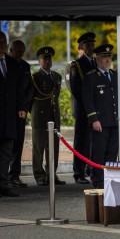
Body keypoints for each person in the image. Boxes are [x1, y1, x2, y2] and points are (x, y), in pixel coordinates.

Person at [82, 44, 120, 188]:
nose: (107, 60)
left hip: (115, 121)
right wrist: (94, 119)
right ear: (97, 58)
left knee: (112, 153)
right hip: (101, 123)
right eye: (104, 57)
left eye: (109, 57)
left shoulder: (115, 75)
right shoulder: (91, 77)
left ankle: (109, 180)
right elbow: (88, 101)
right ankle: (98, 181)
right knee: (99, 154)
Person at [31, 46, 66, 186]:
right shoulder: (35, 77)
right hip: (40, 116)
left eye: (49, 58)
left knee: (54, 148)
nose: (47, 61)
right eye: (44, 59)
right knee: (39, 147)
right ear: (39, 61)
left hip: (54, 116)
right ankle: (39, 176)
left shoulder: (56, 76)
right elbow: (30, 98)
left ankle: (52, 174)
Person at [69, 32, 96, 184]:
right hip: (83, 109)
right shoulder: (77, 65)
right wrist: (89, 105)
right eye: (87, 44)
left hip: (94, 109)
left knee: (93, 140)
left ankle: (90, 168)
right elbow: (76, 89)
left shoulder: (95, 63)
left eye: (92, 44)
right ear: (81, 47)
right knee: (81, 140)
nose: (91, 46)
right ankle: (78, 172)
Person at [0, 31, 24, 197]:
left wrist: (21, 107)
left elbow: (19, 89)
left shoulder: (12, 63)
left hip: (9, 118)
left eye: (4, 41)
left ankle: (3, 185)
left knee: (6, 154)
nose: (2, 43)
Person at [8, 40, 33, 188]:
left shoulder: (25, 66)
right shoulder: (6, 65)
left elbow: (29, 89)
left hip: (20, 113)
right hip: (7, 112)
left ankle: (14, 175)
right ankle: (4, 176)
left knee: (18, 145)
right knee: (6, 145)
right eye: (17, 52)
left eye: (22, 52)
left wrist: (24, 107)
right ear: (10, 50)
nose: (20, 55)